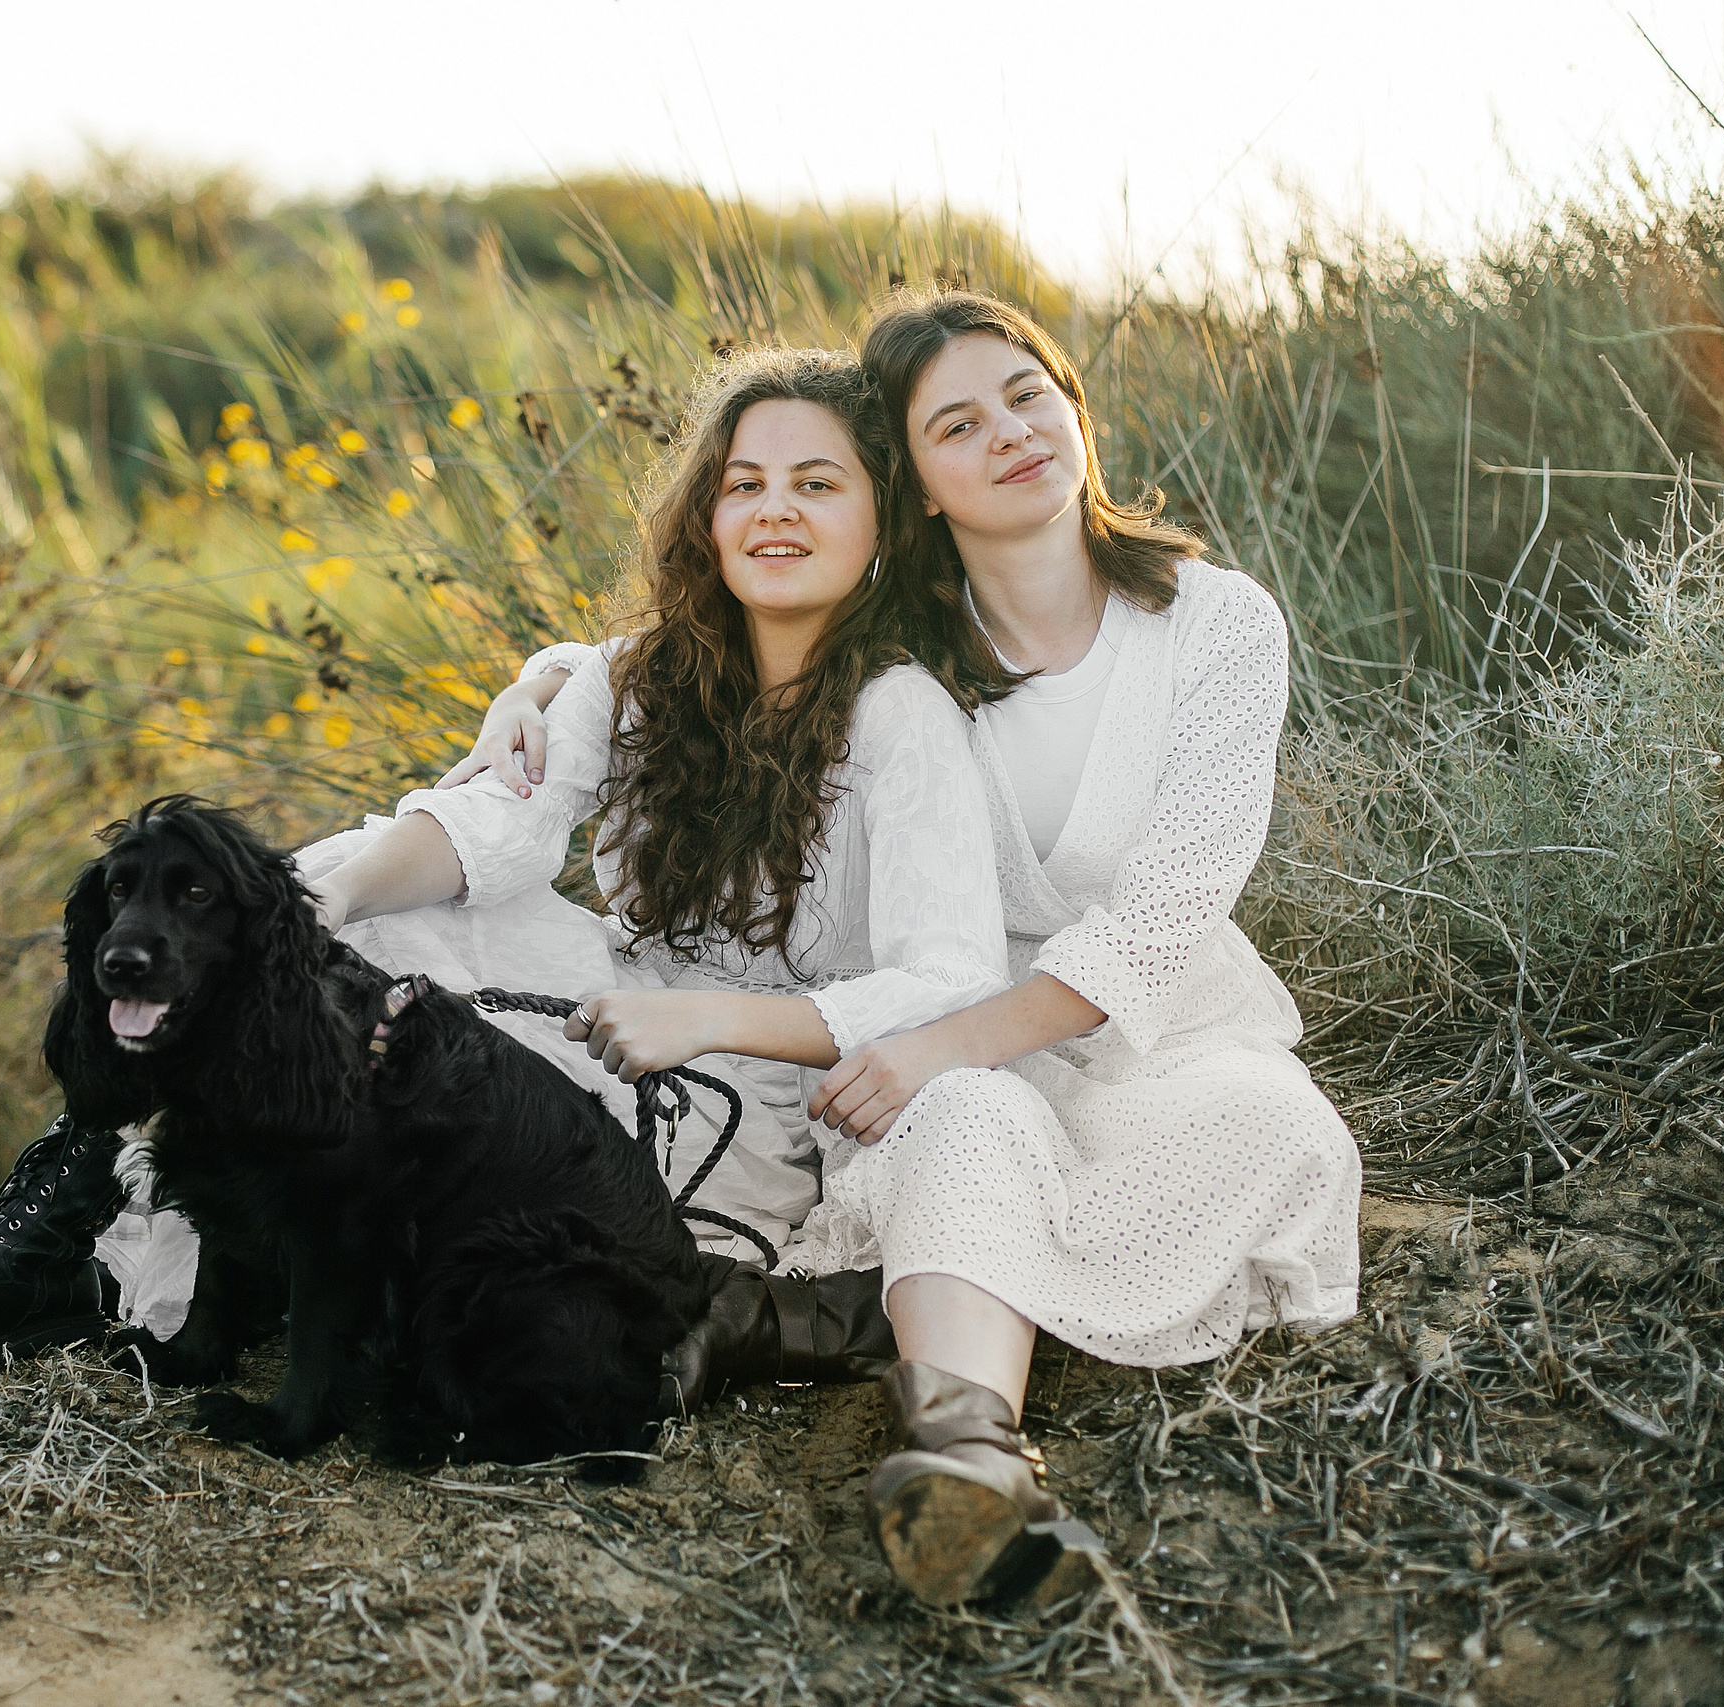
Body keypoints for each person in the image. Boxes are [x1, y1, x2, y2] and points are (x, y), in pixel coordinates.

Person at [0, 348, 1013, 1446]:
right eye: (744, 483)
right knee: (364, 925)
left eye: (818, 485)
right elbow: (496, 828)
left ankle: (207, 1263)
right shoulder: (639, 674)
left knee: (413, 1060)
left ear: (878, 520)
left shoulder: (900, 714)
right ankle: (69, 1211)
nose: (775, 511)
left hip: (756, 1077)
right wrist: (319, 898)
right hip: (624, 987)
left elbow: (947, 976)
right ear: (705, 515)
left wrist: (705, 1020)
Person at [447, 290, 1362, 1610]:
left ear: (1075, 406)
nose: (1008, 434)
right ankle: (973, 1459)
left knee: (1281, 1135)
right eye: (955, 423)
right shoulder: (893, 641)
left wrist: (948, 1037)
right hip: (938, 1026)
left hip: (1155, 1024)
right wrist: (536, 682)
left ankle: (799, 1313)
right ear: (913, 482)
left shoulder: (1220, 625)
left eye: (1027, 394)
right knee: (963, 1127)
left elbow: (1169, 904)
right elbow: (676, 639)